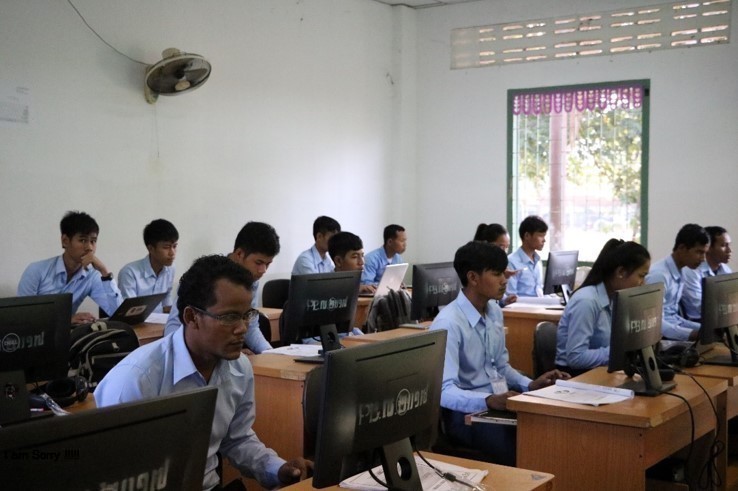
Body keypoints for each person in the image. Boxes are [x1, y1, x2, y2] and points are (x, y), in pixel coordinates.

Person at [95, 255, 311, 491]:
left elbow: (237, 439)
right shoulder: (136, 379)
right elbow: (109, 473)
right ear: (191, 317)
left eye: (246, 315)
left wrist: (277, 469)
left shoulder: (239, 368)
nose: (242, 328)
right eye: (229, 317)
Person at [429, 241, 569, 466]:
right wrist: (487, 400)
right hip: (466, 415)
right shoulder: (449, 323)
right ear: (473, 278)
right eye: (497, 274)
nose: (505, 280)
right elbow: (443, 392)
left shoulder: (494, 310)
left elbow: (501, 367)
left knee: (552, 427)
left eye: (504, 273)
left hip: (498, 403)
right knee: (525, 446)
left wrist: (529, 384)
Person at [164, 221, 279, 354]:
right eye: (259, 262)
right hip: (197, 356)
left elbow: (251, 327)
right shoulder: (206, 276)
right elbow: (173, 327)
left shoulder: (251, 279)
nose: (263, 270)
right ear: (239, 254)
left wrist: (269, 353)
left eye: (267, 264)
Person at [555, 239, 651, 376]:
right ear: (621, 272)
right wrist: (619, 352)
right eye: (641, 276)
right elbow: (576, 358)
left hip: (598, 372)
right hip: (574, 376)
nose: (643, 283)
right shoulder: (586, 301)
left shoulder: (614, 297)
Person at [18, 210, 122, 324]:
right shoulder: (36, 271)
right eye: (83, 240)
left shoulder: (91, 277)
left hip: (67, 334)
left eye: (93, 241)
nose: (89, 247)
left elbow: (118, 314)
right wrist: (66, 320)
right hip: (37, 334)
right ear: (65, 241)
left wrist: (104, 272)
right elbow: (22, 317)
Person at [645, 224, 710, 341]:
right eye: (699, 252)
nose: (703, 259)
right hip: (659, 337)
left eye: (705, 253)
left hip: (670, 331)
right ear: (682, 248)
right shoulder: (659, 276)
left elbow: (673, 317)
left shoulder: (682, 270)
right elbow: (654, 323)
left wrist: (704, 329)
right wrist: (690, 334)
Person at [118, 218, 179, 314]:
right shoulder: (130, 273)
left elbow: (166, 302)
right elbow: (130, 313)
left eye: (174, 246)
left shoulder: (170, 269)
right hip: (137, 322)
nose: (172, 253)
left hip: (160, 321)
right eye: (166, 247)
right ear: (150, 248)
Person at [681, 226, 732, 321]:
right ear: (709, 248)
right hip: (699, 321)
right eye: (723, 245)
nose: (729, 250)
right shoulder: (691, 271)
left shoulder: (725, 269)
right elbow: (700, 306)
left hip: (723, 317)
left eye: (729, 245)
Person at [474, 222, 518, 306]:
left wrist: (504, 301)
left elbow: (493, 299)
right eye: (501, 247)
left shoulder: (496, 265)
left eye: (507, 247)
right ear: (487, 243)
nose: (504, 252)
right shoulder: (478, 265)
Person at [506, 215, 548, 298]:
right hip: (522, 305)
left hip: (539, 303)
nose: (544, 240)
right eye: (541, 236)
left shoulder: (537, 261)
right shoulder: (512, 261)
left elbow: (539, 290)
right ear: (527, 236)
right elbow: (511, 296)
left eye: (544, 236)